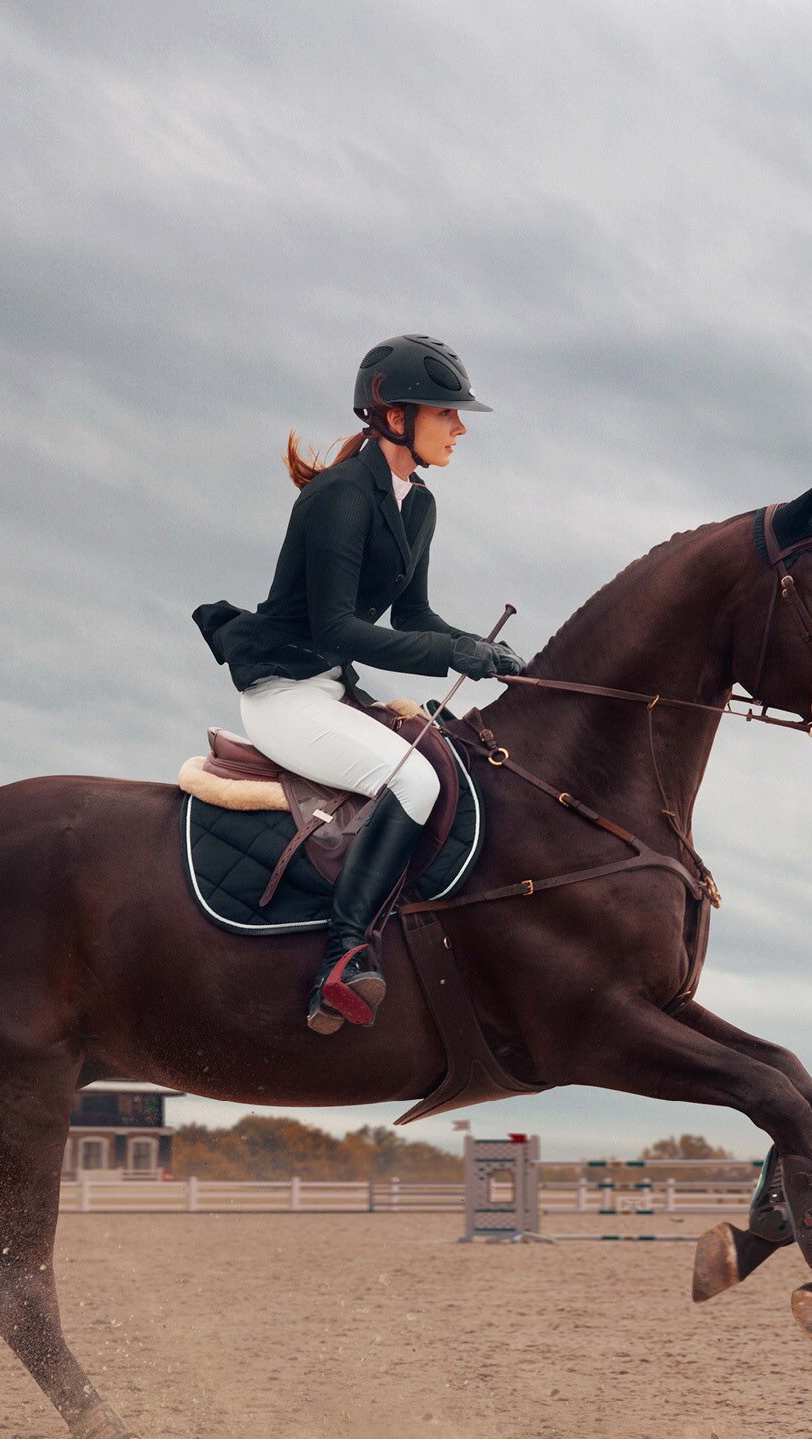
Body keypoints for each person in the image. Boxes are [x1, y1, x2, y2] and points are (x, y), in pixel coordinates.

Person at [194, 335, 525, 1034]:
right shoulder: (338, 497)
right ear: (395, 417)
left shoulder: (418, 505)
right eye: (447, 414)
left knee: (448, 765)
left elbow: (413, 616)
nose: (460, 428)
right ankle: (344, 953)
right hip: (282, 697)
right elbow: (339, 628)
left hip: (330, 692)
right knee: (416, 782)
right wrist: (450, 652)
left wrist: (482, 650)